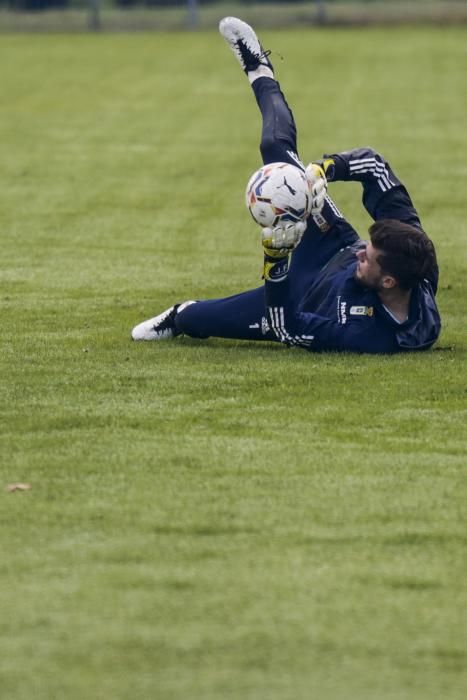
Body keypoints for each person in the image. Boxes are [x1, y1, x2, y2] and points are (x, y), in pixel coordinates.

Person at [131, 17, 441, 354]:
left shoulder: (368, 336)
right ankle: (258, 68)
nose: (362, 252)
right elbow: (374, 165)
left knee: (192, 320)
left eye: (368, 257)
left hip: (297, 300)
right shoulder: (416, 253)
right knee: (275, 150)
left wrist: (275, 259)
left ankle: (177, 315)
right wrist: (326, 170)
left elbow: (288, 328)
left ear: (388, 282)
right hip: (331, 244)